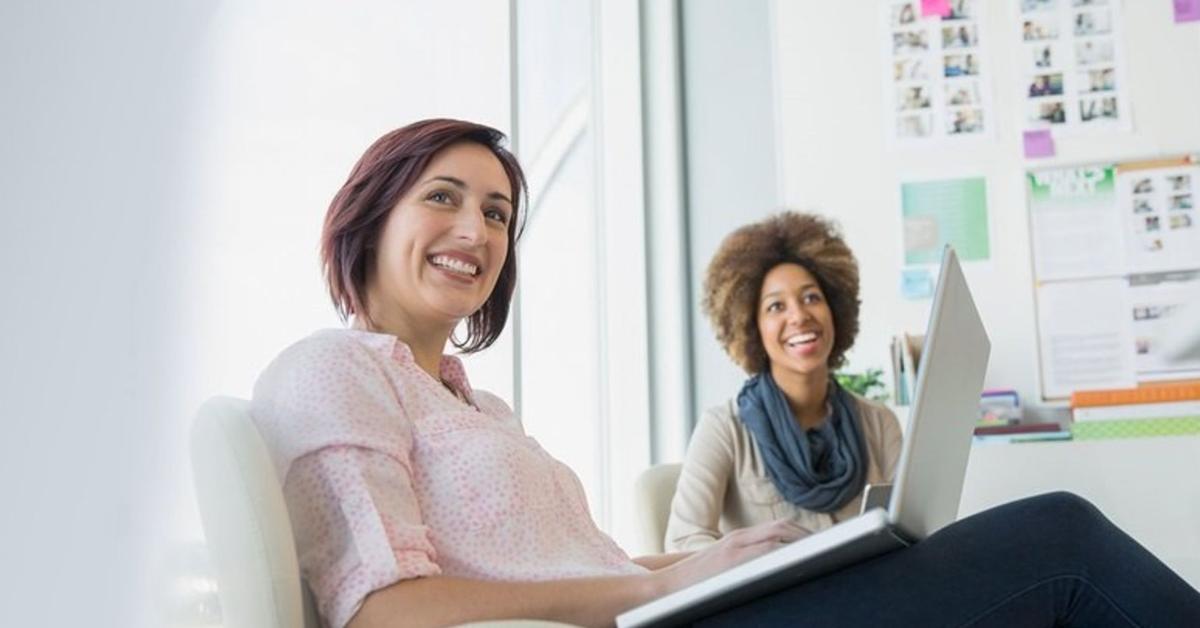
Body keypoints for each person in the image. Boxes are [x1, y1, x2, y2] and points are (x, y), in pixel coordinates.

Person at [251, 119, 1200, 628]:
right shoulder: (329, 370)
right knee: (1061, 542)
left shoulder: (477, 404)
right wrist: (663, 586)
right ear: (368, 216)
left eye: (498, 213)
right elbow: (383, 613)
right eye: (446, 199)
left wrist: (758, 554)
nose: (478, 231)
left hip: (661, 615)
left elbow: (600, 563)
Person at [665, 213, 903, 551]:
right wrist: (758, 559)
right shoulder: (724, 429)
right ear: (751, 327)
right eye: (776, 306)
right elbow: (682, 541)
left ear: (835, 310)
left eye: (811, 298)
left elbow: (912, 527)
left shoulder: (879, 423)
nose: (799, 315)